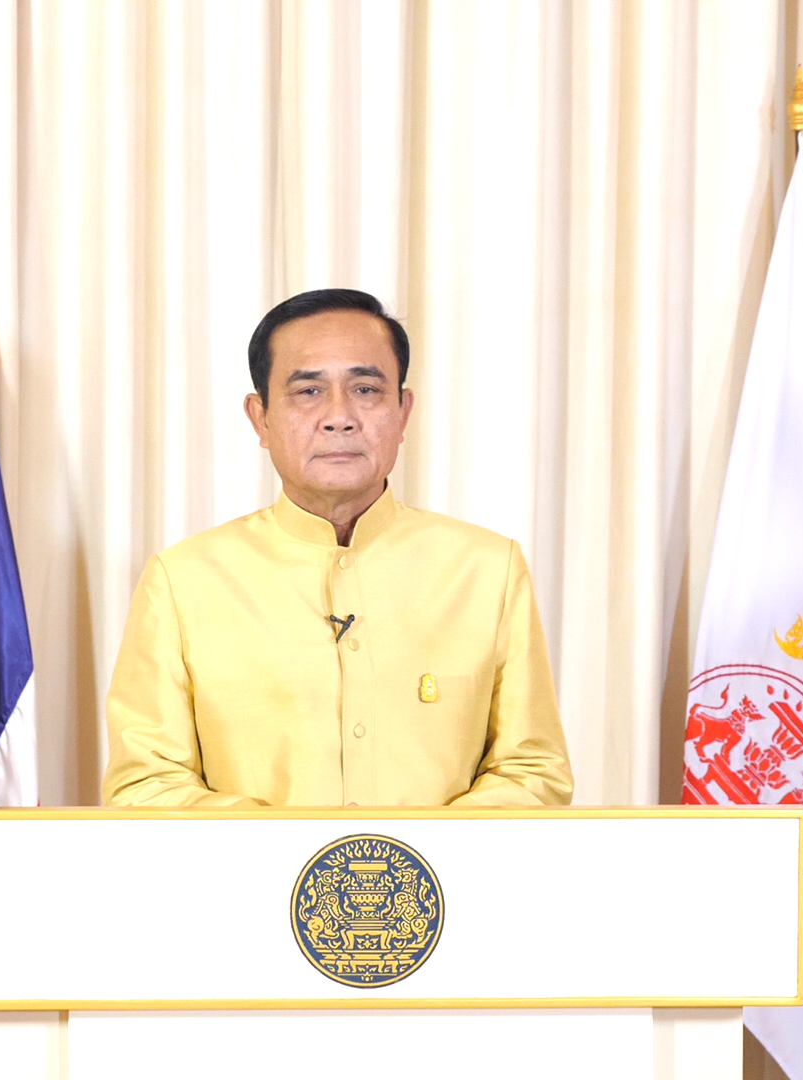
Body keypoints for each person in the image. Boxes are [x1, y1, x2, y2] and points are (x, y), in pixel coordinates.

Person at [103, 289, 573, 807]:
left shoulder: (487, 570)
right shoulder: (184, 581)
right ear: (260, 418)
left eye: (366, 389)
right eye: (308, 391)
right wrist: (298, 848)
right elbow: (146, 785)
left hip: (439, 868)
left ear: (403, 412)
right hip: (253, 866)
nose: (339, 417)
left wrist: (415, 850)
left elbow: (532, 772)